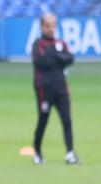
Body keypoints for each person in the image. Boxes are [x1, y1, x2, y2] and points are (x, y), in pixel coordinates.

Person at [31, 13, 79, 165]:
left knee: (67, 120)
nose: (50, 28)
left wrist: (55, 56)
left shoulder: (61, 43)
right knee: (43, 120)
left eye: (53, 25)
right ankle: (37, 152)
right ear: (42, 26)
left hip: (61, 89)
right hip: (44, 90)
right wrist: (60, 58)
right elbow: (41, 61)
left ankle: (70, 153)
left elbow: (70, 58)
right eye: (47, 25)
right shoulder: (38, 44)